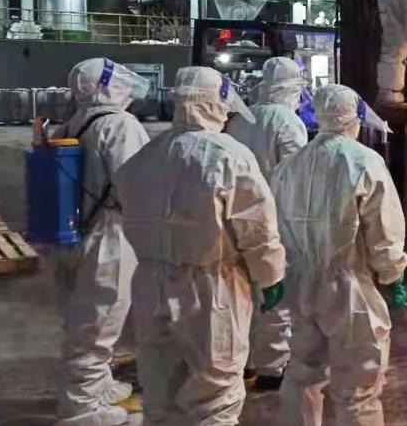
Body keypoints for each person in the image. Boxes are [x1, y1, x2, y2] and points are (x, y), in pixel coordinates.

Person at [117, 67, 287, 425]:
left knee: (161, 391)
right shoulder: (228, 154)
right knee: (216, 392)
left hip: (150, 283)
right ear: (216, 102)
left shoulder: (147, 155)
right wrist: (270, 275)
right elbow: (255, 227)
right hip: (211, 289)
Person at [270, 84, 407, 426]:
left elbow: (273, 226)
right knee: (358, 383)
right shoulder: (364, 161)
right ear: (354, 117)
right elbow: (384, 230)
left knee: (303, 370)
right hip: (350, 289)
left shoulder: (290, 165)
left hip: (302, 283)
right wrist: (392, 274)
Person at [53, 58, 151, 426]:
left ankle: (98, 385)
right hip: (109, 235)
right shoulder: (119, 124)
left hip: (75, 232)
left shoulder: (74, 122)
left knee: (82, 318)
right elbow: (136, 186)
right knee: (99, 322)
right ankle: (81, 407)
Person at [225, 57, 309, 391]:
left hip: (237, 216)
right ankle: (273, 366)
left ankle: (243, 361)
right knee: (275, 292)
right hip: (275, 217)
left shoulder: (243, 117)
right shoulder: (286, 120)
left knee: (243, 291)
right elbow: (296, 174)